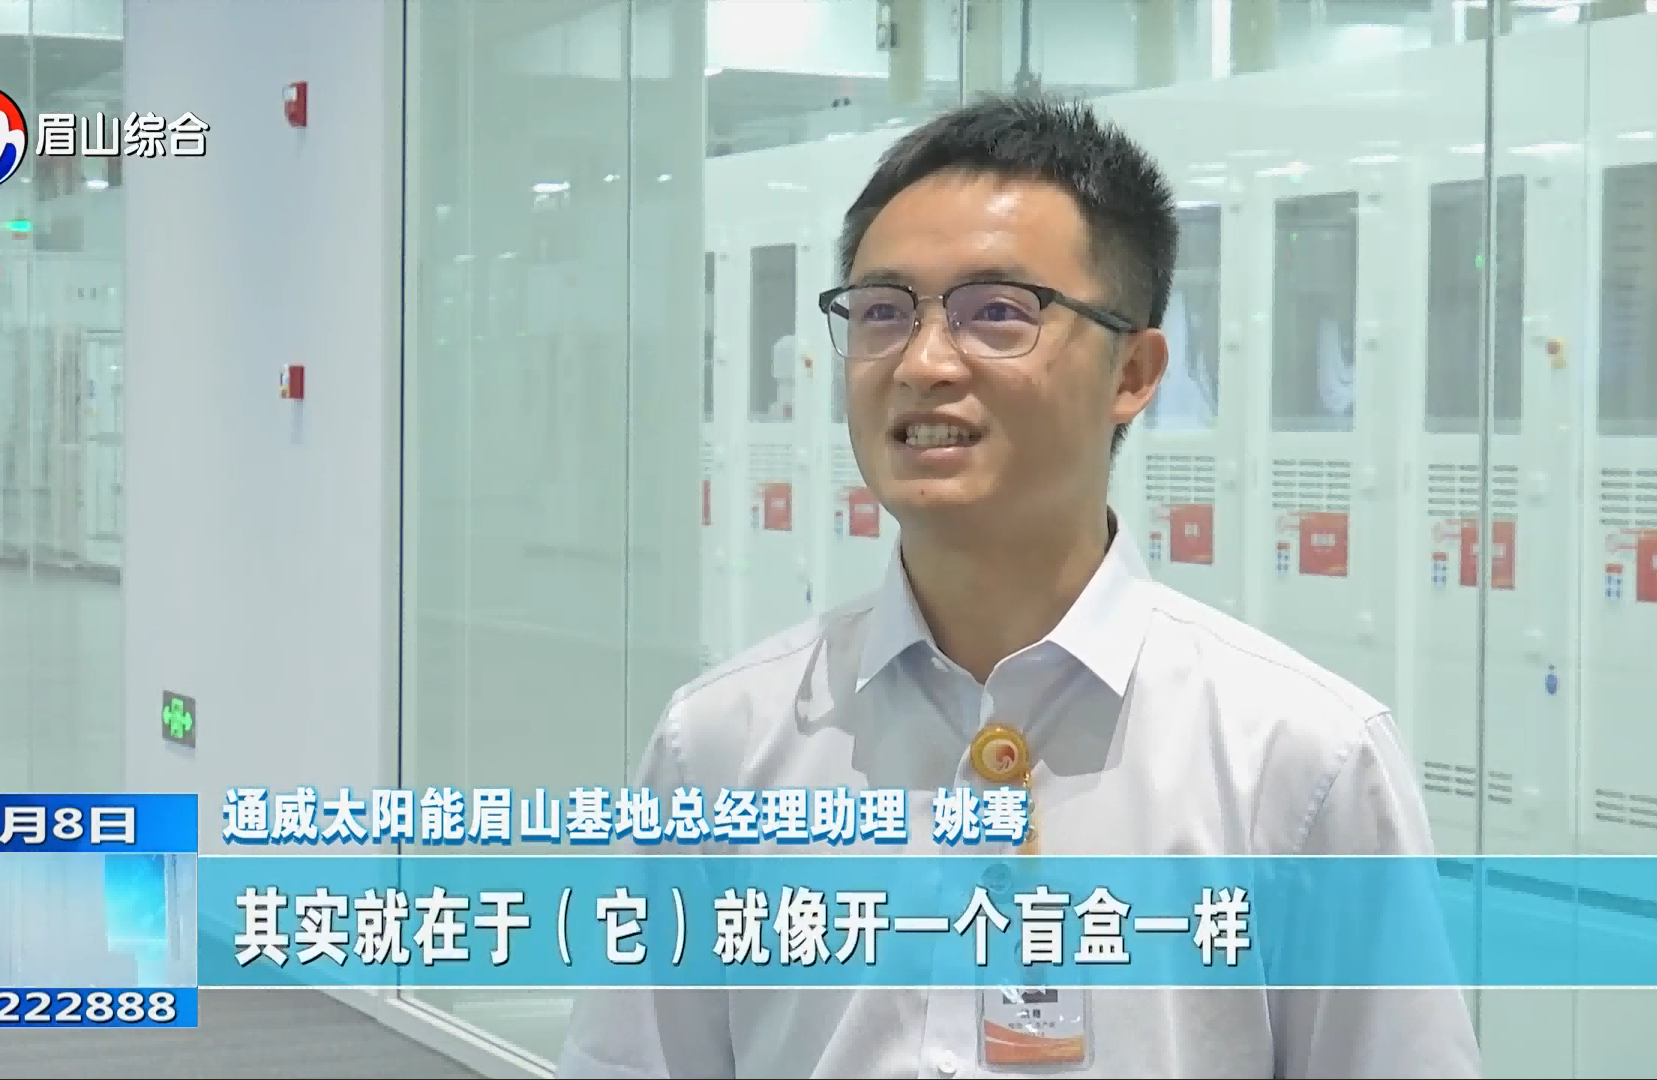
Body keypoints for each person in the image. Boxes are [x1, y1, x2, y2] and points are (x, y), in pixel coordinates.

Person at [556, 95, 1481, 1079]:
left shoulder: (1299, 762)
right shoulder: (722, 744)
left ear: (1133, 371)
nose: (922, 362)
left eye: (996, 312)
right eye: (882, 312)